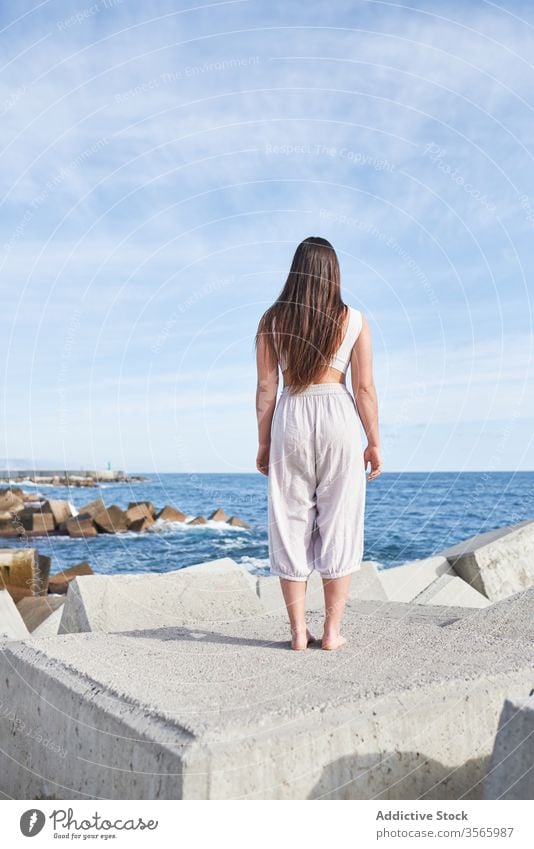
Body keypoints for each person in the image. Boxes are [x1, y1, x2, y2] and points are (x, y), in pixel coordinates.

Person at [254, 236, 382, 651]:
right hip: (338, 418)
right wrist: (374, 441)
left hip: (290, 416)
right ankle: (330, 633)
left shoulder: (272, 320)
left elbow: (264, 390)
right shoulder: (354, 319)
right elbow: (363, 388)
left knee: (289, 522)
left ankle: (296, 633)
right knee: (339, 521)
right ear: (333, 273)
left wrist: (263, 443)